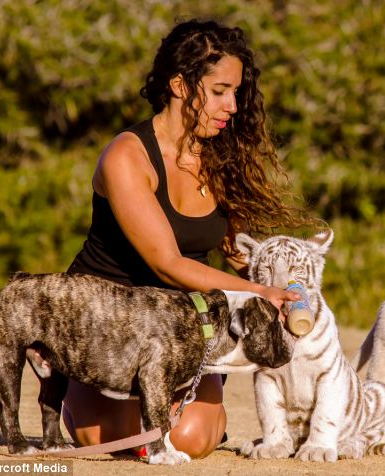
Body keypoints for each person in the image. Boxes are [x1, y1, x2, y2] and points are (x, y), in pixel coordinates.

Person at [62, 18, 309, 460]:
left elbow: (238, 253)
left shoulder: (219, 155)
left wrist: (287, 285)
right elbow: (168, 264)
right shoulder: (126, 156)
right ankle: (72, 383)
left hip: (182, 324)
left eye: (236, 92)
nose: (232, 105)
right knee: (102, 439)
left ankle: (190, 399)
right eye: (220, 91)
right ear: (179, 84)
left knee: (190, 439)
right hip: (108, 322)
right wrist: (257, 292)